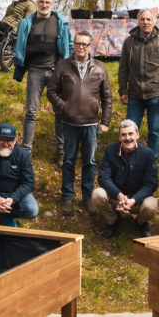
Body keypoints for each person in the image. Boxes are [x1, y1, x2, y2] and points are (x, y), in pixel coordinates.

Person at [47, 30, 112, 215]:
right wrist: (64, 107)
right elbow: (51, 91)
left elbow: (107, 97)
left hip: (91, 124)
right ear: (73, 45)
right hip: (69, 123)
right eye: (78, 43)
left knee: (90, 163)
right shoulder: (62, 66)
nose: (81, 47)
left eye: (85, 44)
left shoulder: (99, 67)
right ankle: (67, 197)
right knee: (68, 161)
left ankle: (87, 197)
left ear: (90, 46)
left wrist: (105, 121)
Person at [14, 0, 72, 158]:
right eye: (41, 2)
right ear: (37, 3)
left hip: (55, 72)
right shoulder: (26, 23)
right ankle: (26, 151)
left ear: (52, 4)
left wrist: (63, 66)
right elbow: (20, 45)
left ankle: (61, 151)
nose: (44, 5)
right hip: (35, 71)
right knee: (31, 112)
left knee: (60, 111)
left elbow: (69, 44)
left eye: (47, 2)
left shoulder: (61, 22)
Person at [117, 8, 159, 158]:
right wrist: (123, 91)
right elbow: (123, 68)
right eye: (142, 19)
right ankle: (130, 159)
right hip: (134, 95)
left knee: (154, 131)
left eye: (148, 19)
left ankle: (151, 161)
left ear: (154, 22)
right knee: (130, 130)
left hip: (155, 95)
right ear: (138, 21)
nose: (145, 22)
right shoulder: (129, 42)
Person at [92, 119, 159, 238]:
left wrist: (133, 200)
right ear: (119, 137)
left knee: (151, 205)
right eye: (123, 134)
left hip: (137, 200)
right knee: (97, 194)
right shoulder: (110, 151)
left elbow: (151, 183)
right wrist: (119, 195)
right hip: (117, 198)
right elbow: (103, 177)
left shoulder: (148, 154)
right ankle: (113, 220)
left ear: (137, 135)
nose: (127, 138)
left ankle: (140, 223)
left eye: (130, 134)